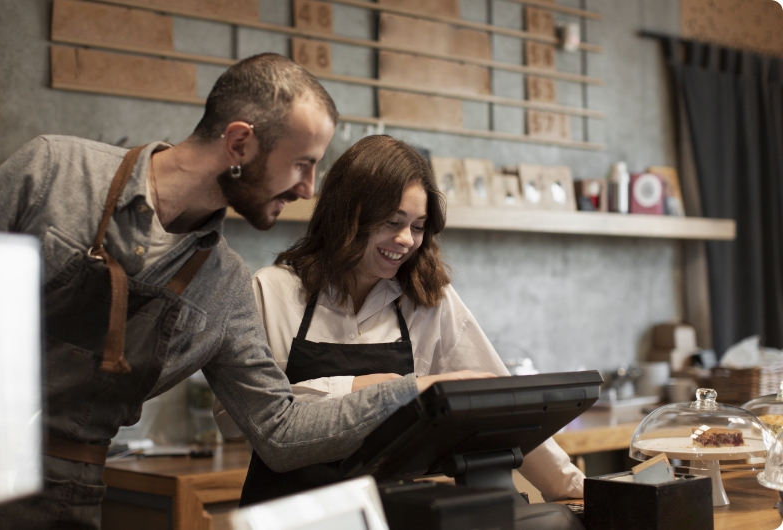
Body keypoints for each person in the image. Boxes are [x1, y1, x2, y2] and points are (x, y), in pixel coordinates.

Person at [0, 54, 487, 530]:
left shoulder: (223, 284)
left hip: (68, 494)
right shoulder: (55, 172)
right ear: (241, 144)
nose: (309, 190)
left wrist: (413, 391)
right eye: (301, 164)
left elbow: (280, 431)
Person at [214, 135, 586, 505]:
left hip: (390, 514)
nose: (406, 239)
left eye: (419, 226)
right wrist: (369, 387)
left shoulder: (428, 299)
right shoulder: (273, 290)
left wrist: (571, 486)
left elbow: (503, 406)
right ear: (348, 214)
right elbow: (235, 421)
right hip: (287, 515)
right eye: (393, 221)